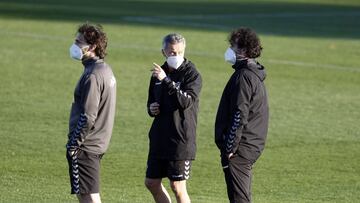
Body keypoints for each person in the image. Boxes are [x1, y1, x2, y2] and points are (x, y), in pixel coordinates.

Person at [145, 33, 202, 203]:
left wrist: (166, 81)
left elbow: (185, 101)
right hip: (159, 137)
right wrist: (152, 108)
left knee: (177, 187)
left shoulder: (192, 74)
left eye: (179, 52)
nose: (175, 56)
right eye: (171, 52)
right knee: (151, 183)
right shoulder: (157, 74)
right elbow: (151, 101)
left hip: (180, 140)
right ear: (163, 52)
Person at [215, 27, 269, 203]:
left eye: (233, 46)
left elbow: (239, 114)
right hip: (248, 145)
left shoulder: (244, 77)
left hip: (241, 148)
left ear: (244, 50)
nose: (230, 50)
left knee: (239, 199)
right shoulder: (251, 74)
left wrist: (230, 147)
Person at [66, 23, 116, 203]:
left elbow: (88, 115)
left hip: (86, 144)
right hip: (97, 141)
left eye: (79, 42)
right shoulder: (105, 69)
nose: (75, 45)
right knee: (88, 192)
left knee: (87, 195)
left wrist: (74, 144)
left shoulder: (93, 75)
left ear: (93, 46)